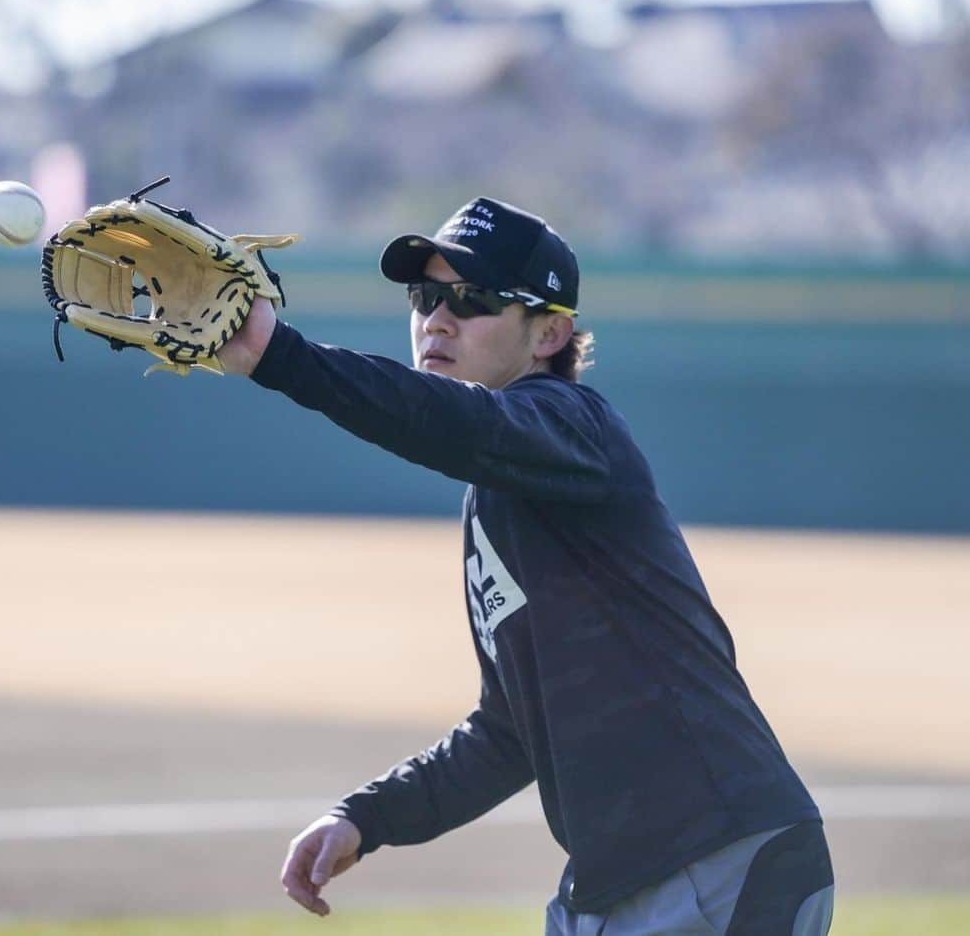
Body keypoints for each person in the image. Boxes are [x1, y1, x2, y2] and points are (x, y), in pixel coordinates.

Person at [218, 197, 835, 935]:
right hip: (613, 886)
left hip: (723, 860)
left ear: (551, 333)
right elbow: (507, 732)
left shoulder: (575, 428)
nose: (437, 320)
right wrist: (364, 819)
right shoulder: (500, 487)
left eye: (473, 299)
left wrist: (279, 355)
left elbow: (452, 423)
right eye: (425, 296)